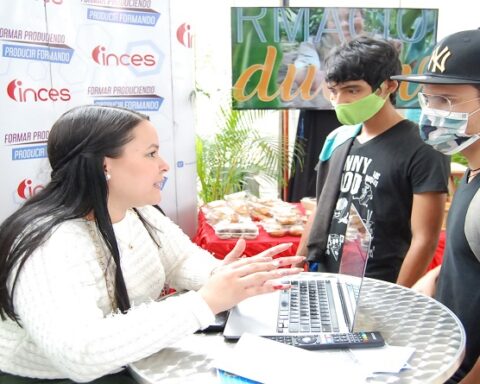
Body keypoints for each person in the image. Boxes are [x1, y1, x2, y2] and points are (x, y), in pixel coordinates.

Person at [0, 105, 305, 383]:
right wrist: (205, 302)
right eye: (150, 154)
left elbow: (181, 260)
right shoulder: (49, 244)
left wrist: (224, 277)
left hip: (125, 363)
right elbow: (79, 355)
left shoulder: (138, 212)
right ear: (105, 166)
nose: (164, 166)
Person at [296, 36, 450, 287]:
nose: (341, 101)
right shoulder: (339, 139)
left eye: (353, 90)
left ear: (388, 86)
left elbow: (425, 239)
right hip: (326, 277)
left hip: (379, 284)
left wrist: (398, 297)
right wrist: (300, 258)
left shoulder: (423, 147)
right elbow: (321, 206)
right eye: (334, 91)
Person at [392, 28, 480, 384]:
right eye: (427, 99)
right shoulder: (470, 172)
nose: (430, 114)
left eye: (445, 101)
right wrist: (433, 281)